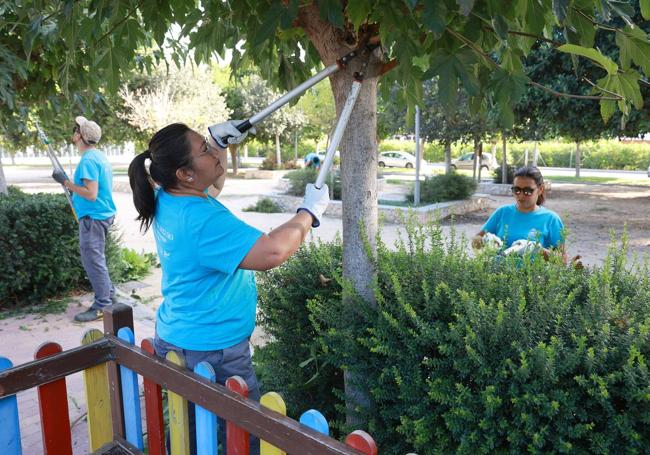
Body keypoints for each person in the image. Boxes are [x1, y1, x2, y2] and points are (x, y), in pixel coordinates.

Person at [128, 122, 329, 453]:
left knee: (187, 428)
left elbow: (213, 185)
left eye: (207, 143)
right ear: (184, 174)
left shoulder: (168, 197)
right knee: (245, 430)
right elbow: (272, 251)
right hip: (212, 349)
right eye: (204, 149)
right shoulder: (202, 221)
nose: (211, 151)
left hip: (179, 335)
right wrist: (309, 213)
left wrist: (220, 145)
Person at [52, 116, 117, 322]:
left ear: (79, 136)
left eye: (75, 129)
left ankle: (102, 306)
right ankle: (110, 295)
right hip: (100, 215)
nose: (73, 132)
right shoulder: (98, 156)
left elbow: (91, 193)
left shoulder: (89, 159)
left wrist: (65, 182)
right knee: (96, 259)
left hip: (94, 218)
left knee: (93, 261)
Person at [472, 166, 567, 263]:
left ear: (540, 189)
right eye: (517, 190)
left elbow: (563, 260)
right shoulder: (502, 213)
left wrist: (539, 251)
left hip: (532, 277)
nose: (521, 195)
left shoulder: (551, 219)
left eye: (527, 191)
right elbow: (476, 240)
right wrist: (484, 240)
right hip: (497, 275)